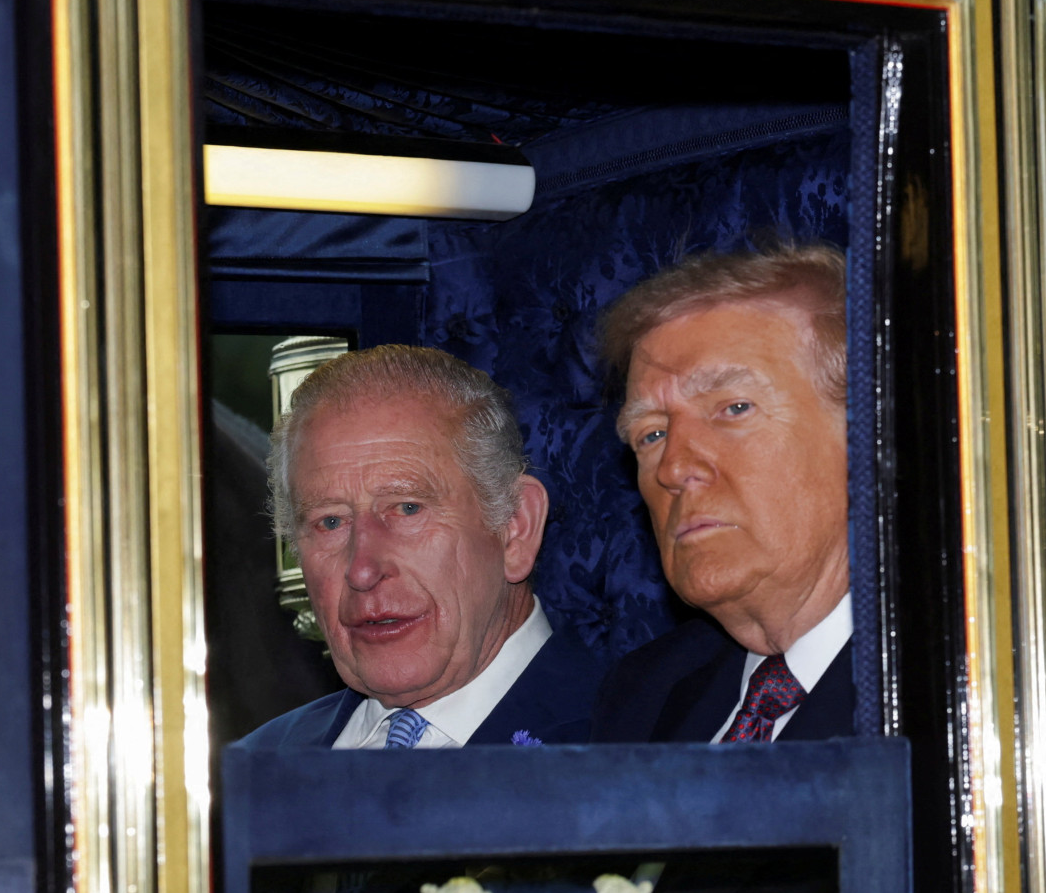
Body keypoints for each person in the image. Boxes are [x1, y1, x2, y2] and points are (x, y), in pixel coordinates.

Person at [227, 344, 601, 756]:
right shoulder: (252, 769)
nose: (362, 570)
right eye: (330, 522)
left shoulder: (630, 746)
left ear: (515, 528)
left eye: (407, 509)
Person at [593, 241, 861, 744]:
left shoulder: (967, 690)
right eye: (652, 434)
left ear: (865, 434)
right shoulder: (641, 698)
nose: (673, 468)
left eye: (734, 409)